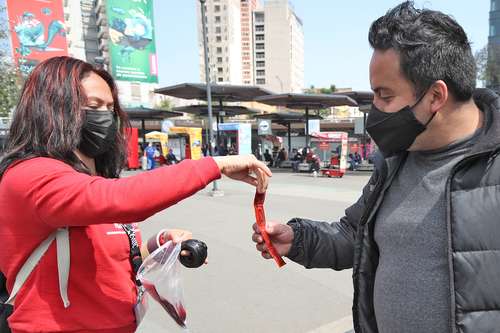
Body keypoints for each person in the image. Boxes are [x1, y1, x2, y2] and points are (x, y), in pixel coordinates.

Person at [252, 2, 500, 332]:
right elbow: (357, 234)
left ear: (435, 96)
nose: (375, 110)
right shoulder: (396, 159)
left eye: (384, 95)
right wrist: (297, 239)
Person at [0, 56, 272, 333]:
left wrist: (160, 243)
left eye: (110, 108)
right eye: (94, 107)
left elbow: (114, 260)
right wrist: (216, 164)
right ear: (53, 109)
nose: (105, 116)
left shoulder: (89, 179)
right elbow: (122, 200)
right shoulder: (30, 175)